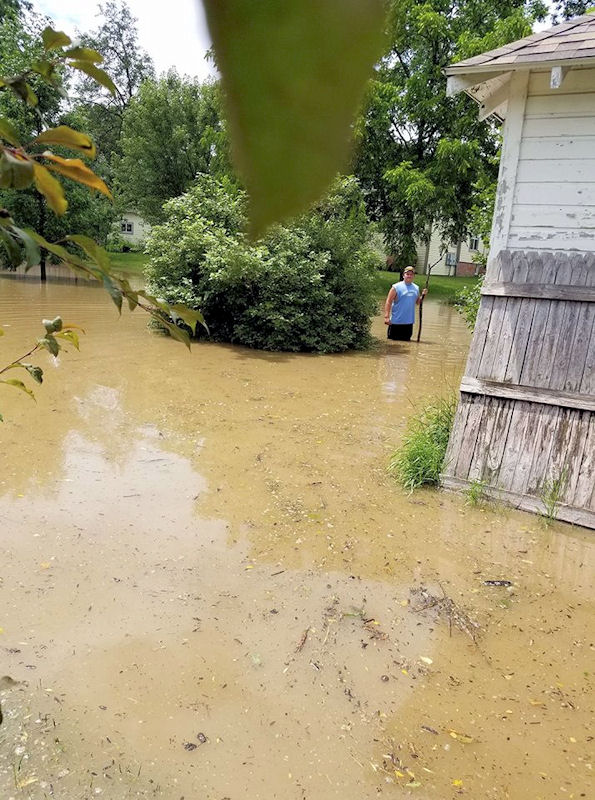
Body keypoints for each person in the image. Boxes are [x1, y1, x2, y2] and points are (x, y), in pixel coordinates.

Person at [384, 266, 428, 341]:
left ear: (414, 276)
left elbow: (418, 302)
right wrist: (386, 317)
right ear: (403, 275)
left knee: (406, 343)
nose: (409, 276)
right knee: (391, 346)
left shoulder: (416, 288)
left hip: (408, 323)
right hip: (396, 322)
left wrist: (423, 295)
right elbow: (388, 302)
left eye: (411, 274)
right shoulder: (396, 287)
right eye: (407, 274)